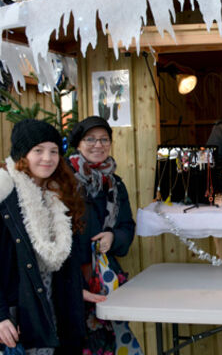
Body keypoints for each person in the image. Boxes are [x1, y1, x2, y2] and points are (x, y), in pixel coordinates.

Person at [0, 119, 104, 354]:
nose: (47, 158)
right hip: (20, 316)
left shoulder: (58, 194)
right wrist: (0, 315)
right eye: (38, 150)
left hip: (57, 310)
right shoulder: (5, 196)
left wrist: (77, 288)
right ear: (22, 155)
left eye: (54, 151)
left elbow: (66, 258)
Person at [68, 116, 136, 352]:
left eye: (104, 139)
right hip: (69, 278)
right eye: (90, 139)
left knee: (108, 342)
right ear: (78, 143)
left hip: (104, 276)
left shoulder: (115, 184)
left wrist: (113, 237)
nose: (98, 145)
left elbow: (128, 226)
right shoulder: (62, 180)